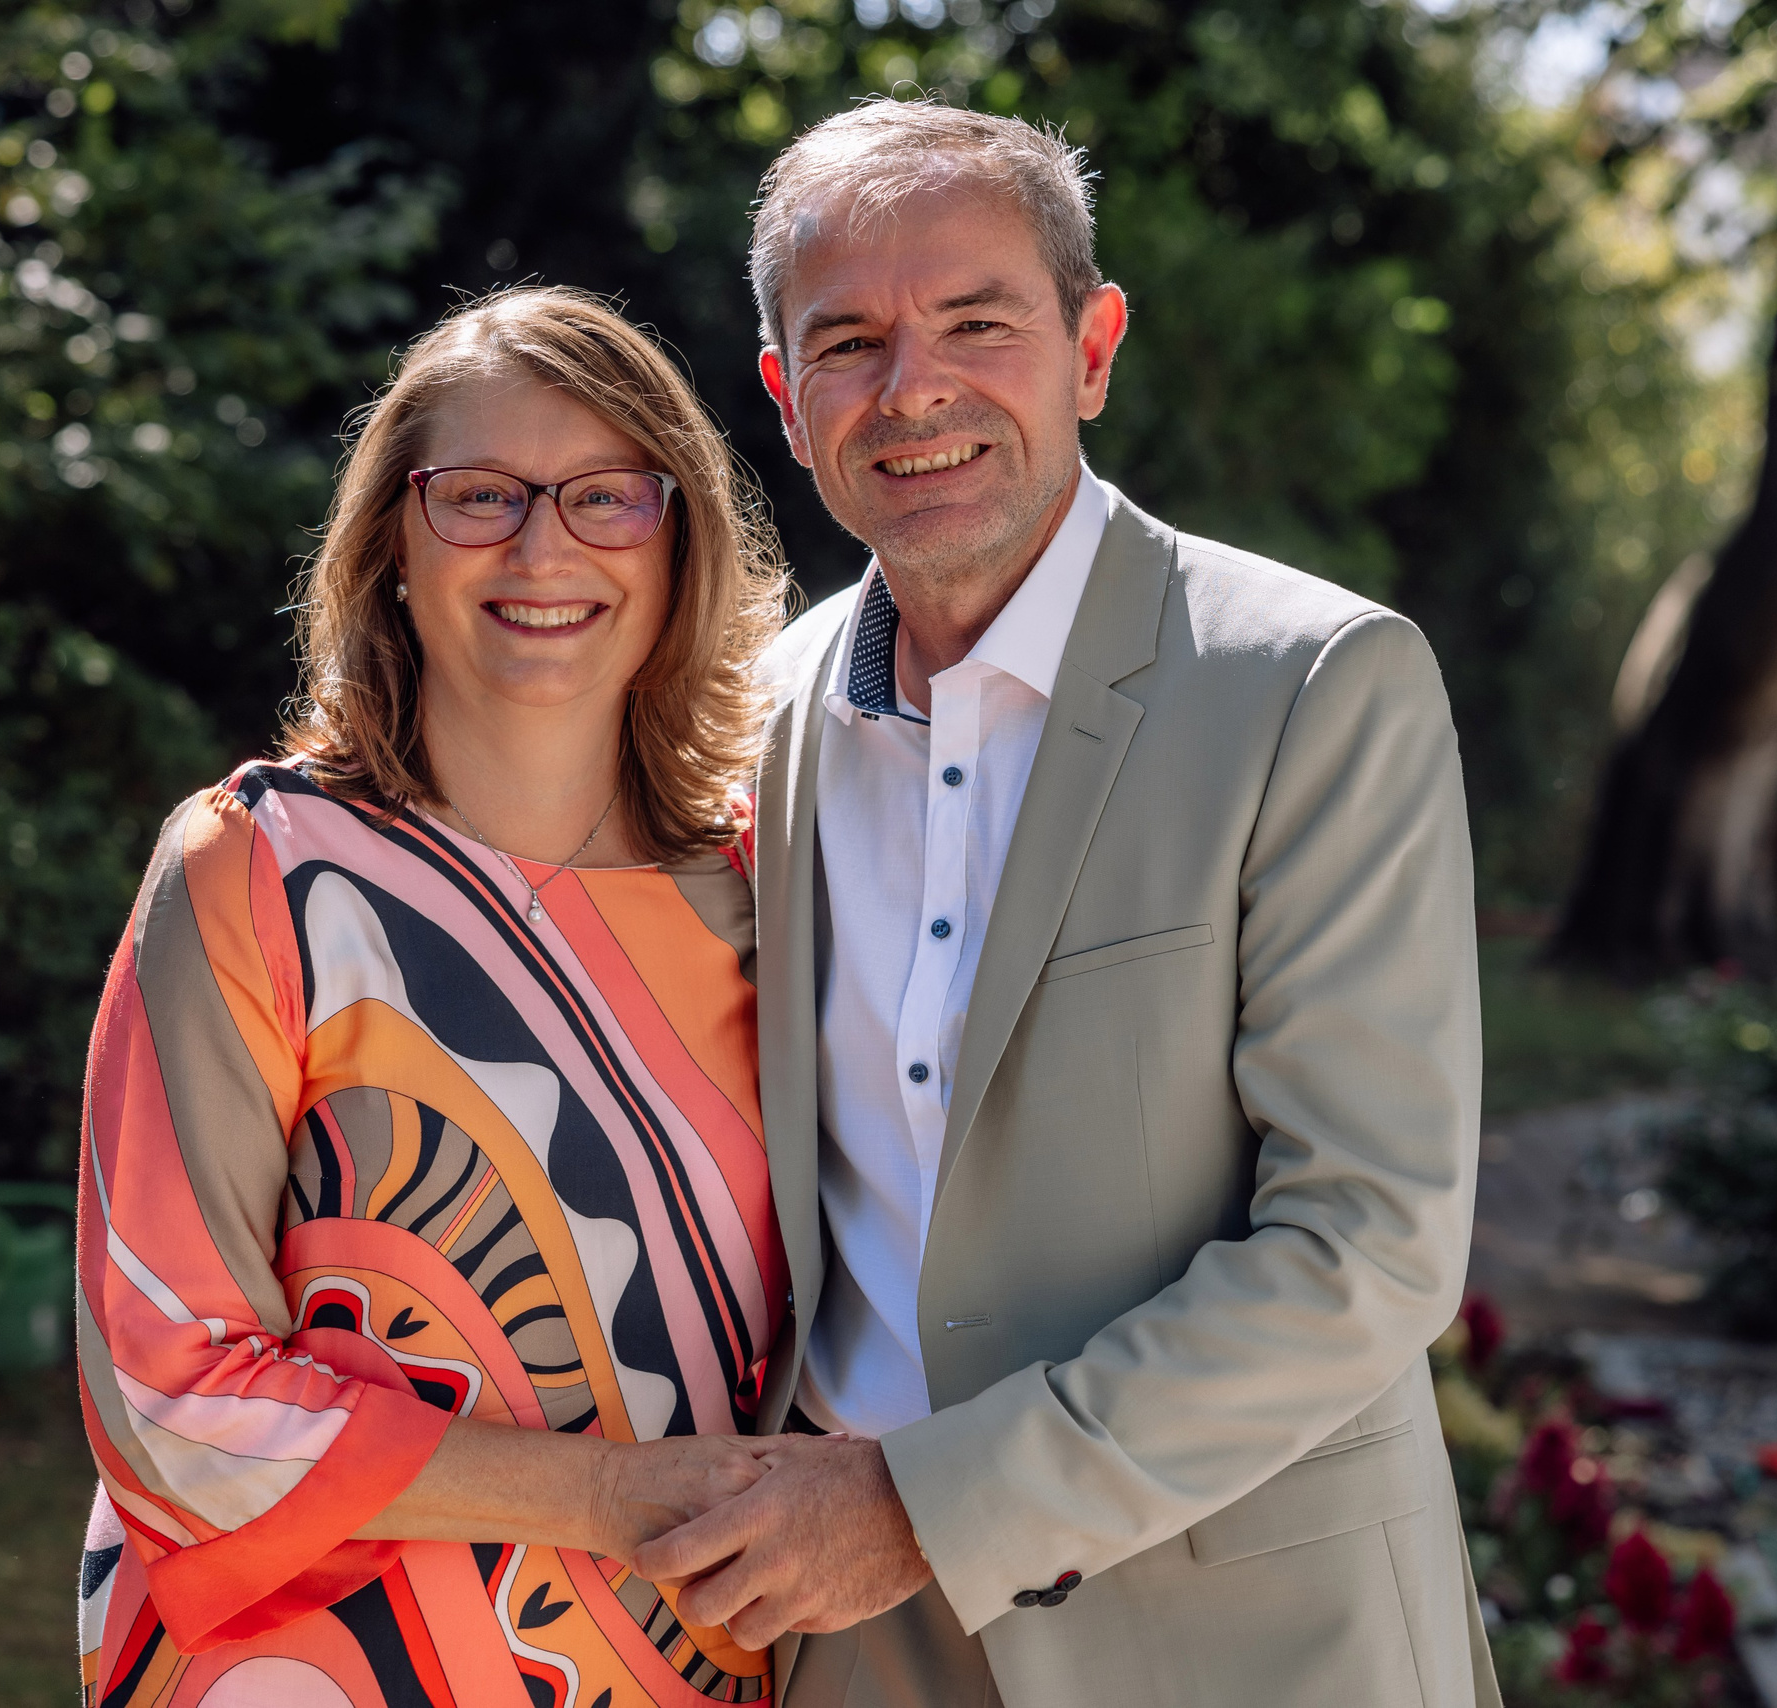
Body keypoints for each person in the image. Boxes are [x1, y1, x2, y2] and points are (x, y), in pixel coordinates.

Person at [631, 102, 1500, 1707]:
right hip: (846, 1639)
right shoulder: (756, 704)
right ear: (786, 396)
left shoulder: (1313, 683)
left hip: (1236, 1635)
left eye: (978, 321)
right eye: (849, 343)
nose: (916, 389)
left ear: (1090, 348)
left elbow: (1367, 1244)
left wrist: (922, 1510)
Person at [73, 287, 798, 1707]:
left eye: (606, 498)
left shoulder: (772, 900)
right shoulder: (258, 872)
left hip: (685, 1674)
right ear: (393, 545)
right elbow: (168, 1394)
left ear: (679, 542)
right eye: (478, 497)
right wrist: (611, 1499)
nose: (543, 547)